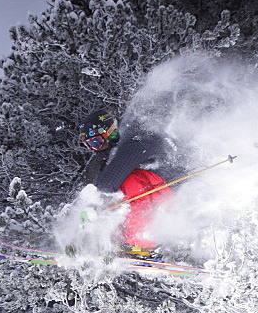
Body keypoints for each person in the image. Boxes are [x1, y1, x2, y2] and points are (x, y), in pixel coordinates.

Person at [78, 109, 182, 254]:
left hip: (178, 196)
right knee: (114, 195)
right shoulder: (121, 146)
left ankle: (145, 241)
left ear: (110, 132)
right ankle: (115, 242)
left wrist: (94, 204)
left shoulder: (138, 138)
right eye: (90, 146)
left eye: (97, 142)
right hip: (165, 197)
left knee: (127, 183)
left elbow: (112, 177)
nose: (96, 149)